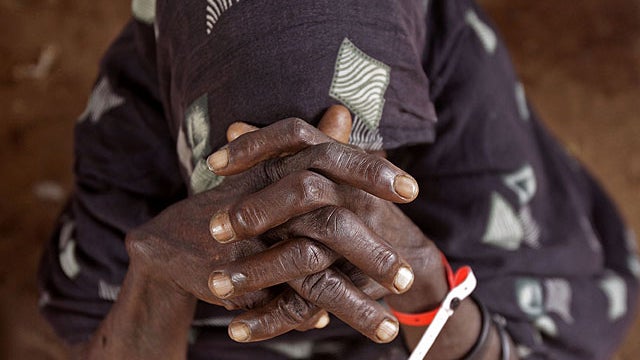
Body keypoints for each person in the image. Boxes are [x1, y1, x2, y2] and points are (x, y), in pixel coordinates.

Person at [38, 0, 639, 359]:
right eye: (246, 151)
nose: (304, 196)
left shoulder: (465, 101)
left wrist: (426, 285)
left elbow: (551, 328)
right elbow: (92, 318)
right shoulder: (136, 117)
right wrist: (156, 277)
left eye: (349, 142)